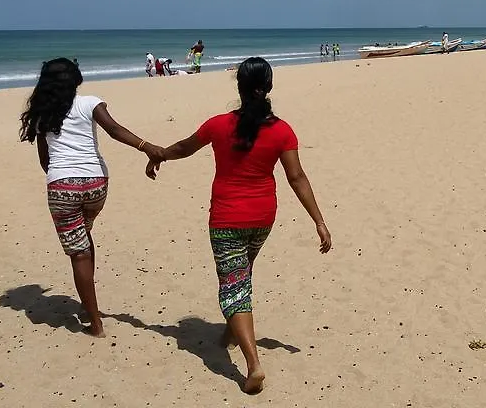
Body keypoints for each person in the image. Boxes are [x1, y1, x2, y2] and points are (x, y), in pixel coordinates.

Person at [145, 57, 331, 394]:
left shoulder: (218, 125)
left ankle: (253, 365)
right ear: (269, 87)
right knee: (240, 275)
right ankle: (230, 333)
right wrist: (319, 221)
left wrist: (159, 154)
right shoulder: (282, 130)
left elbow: (185, 147)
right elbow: (297, 177)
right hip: (263, 218)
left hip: (228, 219)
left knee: (233, 288)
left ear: (240, 88)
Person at [18, 58, 161, 337]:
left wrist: (62, 179)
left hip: (62, 186)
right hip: (97, 185)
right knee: (85, 237)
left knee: (78, 254)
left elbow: (45, 161)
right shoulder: (89, 103)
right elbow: (115, 130)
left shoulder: (42, 114)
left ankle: (95, 323)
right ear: (76, 81)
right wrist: (147, 147)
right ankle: (87, 303)